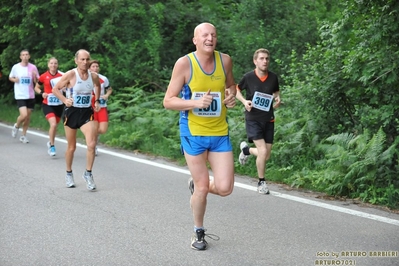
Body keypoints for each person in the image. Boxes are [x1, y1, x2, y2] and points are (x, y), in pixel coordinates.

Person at [163, 22, 237, 251]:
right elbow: (168, 101)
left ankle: (196, 187)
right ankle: (198, 232)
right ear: (195, 40)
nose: (210, 38)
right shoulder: (185, 64)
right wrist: (196, 103)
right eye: (204, 35)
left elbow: (231, 86)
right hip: (193, 132)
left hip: (219, 133)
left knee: (225, 188)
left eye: (213, 35)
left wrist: (231, 96)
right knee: (203, 186)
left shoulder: (224, 60)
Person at [52, 49, 101, 191]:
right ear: (76, 60)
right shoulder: (71, 74)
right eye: (82, 60)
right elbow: (55, 89)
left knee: (91, 144)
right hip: (71, 112)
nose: (85, 62)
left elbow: (97, 86)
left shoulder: (93, 76)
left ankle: (88, 173)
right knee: (72, 147)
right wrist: (64, 100)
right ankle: (68, 173)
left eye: (87, 59)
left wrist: (96, 100)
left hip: (87, 113)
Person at [235, 48, 281, 194]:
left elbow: (276, 91)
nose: (265, 61)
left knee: (266, 155)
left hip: (269, 119)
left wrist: (278, 98)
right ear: (255, 61)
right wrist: (244, 101)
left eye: (267, 58)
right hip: (253, 118)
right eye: (261, 58)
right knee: (262, 151)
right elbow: (236, 90)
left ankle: (246, 150)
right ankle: (261, 183)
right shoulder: (248, 77)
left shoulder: (273, 77)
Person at [34, 57, 64, 156]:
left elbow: (68, 86)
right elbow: (36, 87)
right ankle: (52, 146)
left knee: (55, 127)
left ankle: (50, 141)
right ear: (48, 65)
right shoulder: (44, 76)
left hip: (59, 104)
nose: (53, 65)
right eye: (51, 63)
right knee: (53, 124)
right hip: (48, 104)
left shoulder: (62, 76)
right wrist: (42, 93)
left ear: (57, 65)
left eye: (55, 63)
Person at [9, 49, 39, 143]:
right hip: (20, 94)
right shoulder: (16, 67)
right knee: (24, 115)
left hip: (30, 95)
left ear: (29, 56)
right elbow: (10, 77)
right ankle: (17, 125)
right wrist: (15, 80)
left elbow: (37, 82)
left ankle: (23, 135)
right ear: (20, 57)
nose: (25, 56)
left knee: (27, 117)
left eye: (27, 55)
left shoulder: (33, 67)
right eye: (23, 55)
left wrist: (35, 77)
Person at [88, 60, 113, 156]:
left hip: (102, 106)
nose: (95, 68)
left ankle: (91, 137)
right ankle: (93, 146)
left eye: (97, 66)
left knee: (102, 129)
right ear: (89, 68)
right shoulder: (86, 78)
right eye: (93, 66)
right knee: (94, 127)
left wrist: (106, 95)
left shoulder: (103, 78)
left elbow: (109, 89)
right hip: (91, 107)